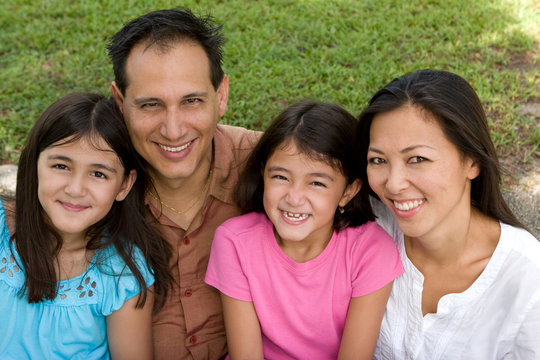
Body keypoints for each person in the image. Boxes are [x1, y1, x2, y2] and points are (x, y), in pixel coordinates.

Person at [107, 7, 260, 359]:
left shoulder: (272, 169)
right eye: (150, 105)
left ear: (221, 96)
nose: (173, 129)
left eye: (191, 101)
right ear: (120, 102)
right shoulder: (92, 184)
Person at [355, 69, 540, 359]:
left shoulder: (528, 281)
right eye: (378, 160)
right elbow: (291, 160)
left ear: (472, 162)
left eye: (417, 159)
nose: (392, 183)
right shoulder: (370, 223)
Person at [205, 100, 404, 359]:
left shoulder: (371, 250)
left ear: (348, 191)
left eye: (317, 183)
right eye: (280, 177)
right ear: (263, 173)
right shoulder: (235, 241)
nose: (294, 197)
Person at [0, 92, 172, 359]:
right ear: (34, 164)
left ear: (124, 184)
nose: (76, 189)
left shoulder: (121, 276)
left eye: (98, 174)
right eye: (60, 165)